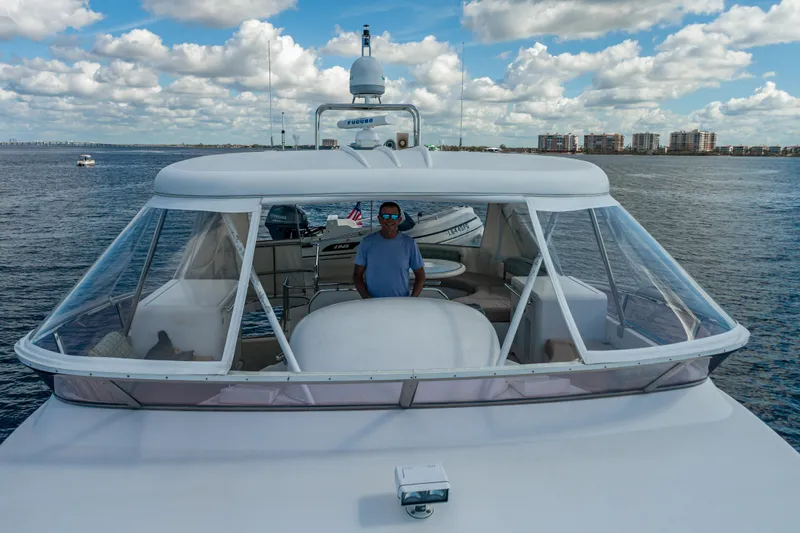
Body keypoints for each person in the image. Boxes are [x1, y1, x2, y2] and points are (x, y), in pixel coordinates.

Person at [353, 202, 426, 298]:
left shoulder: (410, 244)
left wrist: (412, 300)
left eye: (394, 216)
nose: (390, 219)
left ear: (399, 220)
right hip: (373, 303)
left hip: (401, 303)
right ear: (379, 219)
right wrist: (367, 299)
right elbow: (357, 276)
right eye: (385, 216)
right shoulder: (366, 243)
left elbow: (420, 276)